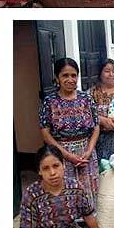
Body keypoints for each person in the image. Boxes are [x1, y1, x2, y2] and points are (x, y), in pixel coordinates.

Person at [39, 58, 100, 201]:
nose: (70, 79)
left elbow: (96, 126)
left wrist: (89, 151)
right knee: (66, 193)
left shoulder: (87, 98)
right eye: (65, 75)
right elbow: (45, 133)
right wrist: (67, 155)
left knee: (88, 192)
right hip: (60, 154)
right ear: (57, 78)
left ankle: (88, 222)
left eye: (74, 75)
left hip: (86, 153)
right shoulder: (49, 101)